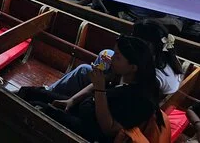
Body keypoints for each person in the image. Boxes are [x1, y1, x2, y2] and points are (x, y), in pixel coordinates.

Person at [21, 35, 165, 143]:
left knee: (37, 107)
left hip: (90, 130)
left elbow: (108, 129)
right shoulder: (123, 75)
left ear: (133, 67)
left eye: (117, 57)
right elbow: (96, 87)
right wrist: (72, 101)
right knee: (31, 92)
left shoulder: (141, 99)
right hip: (85, 109)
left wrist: (100, 89)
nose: (112, 59)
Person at [37, 19, 182, 99]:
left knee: (83, 71)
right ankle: (63, 93)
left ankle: (50, 93)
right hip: (132, 91)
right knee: (104, 54)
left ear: (146, 45)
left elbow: (126, 90)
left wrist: (108, 75)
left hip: (124, 100)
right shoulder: (166, 56)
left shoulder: (152, 76)